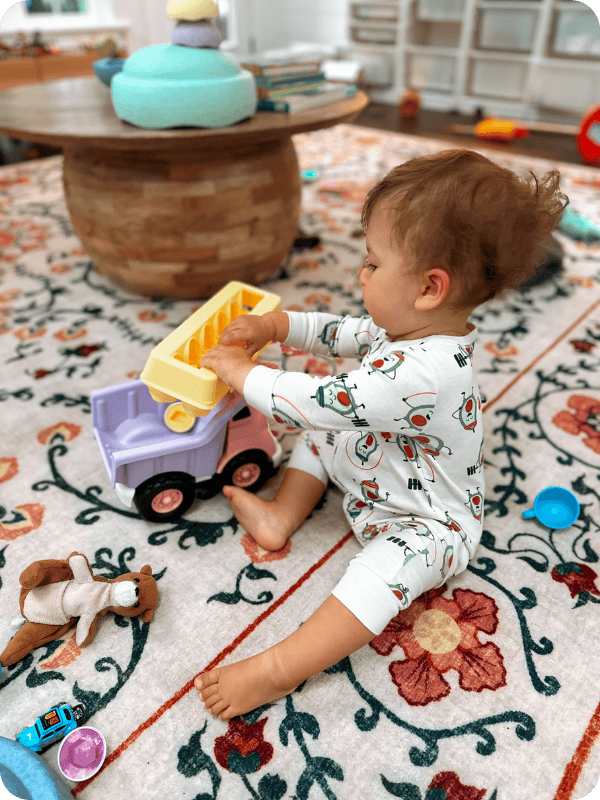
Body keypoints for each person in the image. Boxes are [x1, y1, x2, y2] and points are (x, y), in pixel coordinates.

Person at [195, 148, 567, 720]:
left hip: (429, 524)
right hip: (382, 470)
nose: (359, 274)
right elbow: (337, 331)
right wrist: (276, 325)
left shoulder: (425, 372)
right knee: (326, 436)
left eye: (371, 263)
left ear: (429, 288)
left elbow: (315, 401)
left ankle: (278, 670)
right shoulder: (405, 326)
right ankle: (280, 518)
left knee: (375, 571)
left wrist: (240, 373)